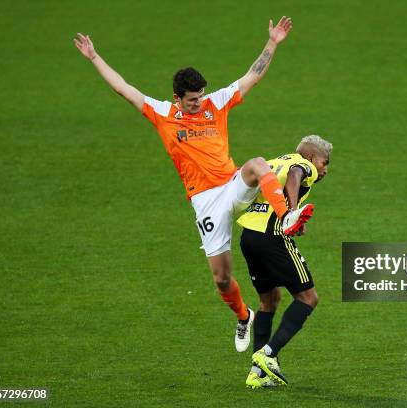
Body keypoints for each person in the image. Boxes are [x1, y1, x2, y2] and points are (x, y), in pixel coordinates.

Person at [73, 17, 314, 353]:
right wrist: (95, 57)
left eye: (200, 96)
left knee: (258, 164)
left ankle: (286, 217)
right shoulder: (162, 113)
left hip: (233, 184)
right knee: (222, 278)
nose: (198, 103)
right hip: (205, 202)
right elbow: (123, 88)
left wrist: (272, 42)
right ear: (177, 98)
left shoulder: (215, 103)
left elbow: (252, 76)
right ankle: (244, 316)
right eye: (191, 100)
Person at [236, 135, 332, 388]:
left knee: (269, 301)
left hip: (249, 237)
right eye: (325, 162)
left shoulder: (274, 161)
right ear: (312, 157)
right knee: (308, 298)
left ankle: (258, 373)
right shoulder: (303, 164)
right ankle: (268, 354)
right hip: (272, 238)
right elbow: (296, 174)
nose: (325, 169)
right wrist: (289, 214)